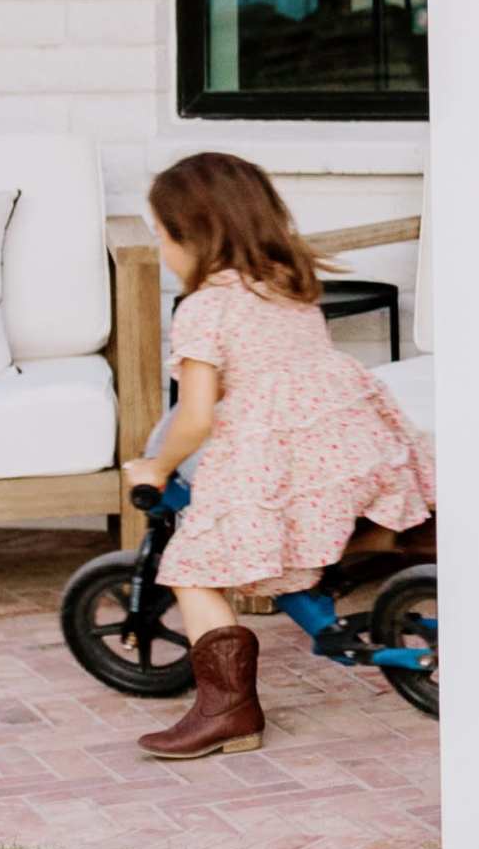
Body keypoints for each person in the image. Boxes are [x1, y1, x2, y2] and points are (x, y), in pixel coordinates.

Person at [121, 151, 436, 763]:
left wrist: (156, 467)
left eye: (162, 236)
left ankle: (227, 712)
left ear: (193, 235)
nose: (162, 251)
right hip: (338, 445)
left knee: (192, 568)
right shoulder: (287, 286)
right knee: (278, 538)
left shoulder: (205, 309)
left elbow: (195, 417)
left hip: (278, 458)